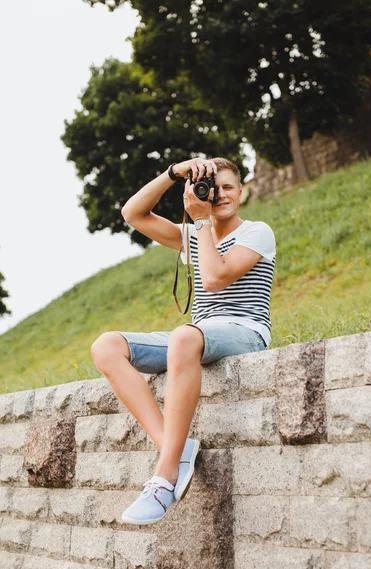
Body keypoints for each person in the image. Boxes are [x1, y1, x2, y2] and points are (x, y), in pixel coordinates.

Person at [91, 156, 276, 526]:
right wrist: (174, 173)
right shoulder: (193, 234)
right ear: (196, 192)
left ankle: (164, 477)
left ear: (241, 192)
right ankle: (175, 449)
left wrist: (202, 222)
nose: (219, 194)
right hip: (195, 338)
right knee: (106, 346)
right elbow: (133, 213)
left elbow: (213, 278)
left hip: (246, 333)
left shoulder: (257, 231)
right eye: (211, 187)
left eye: (227, 187)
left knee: (183, 336)